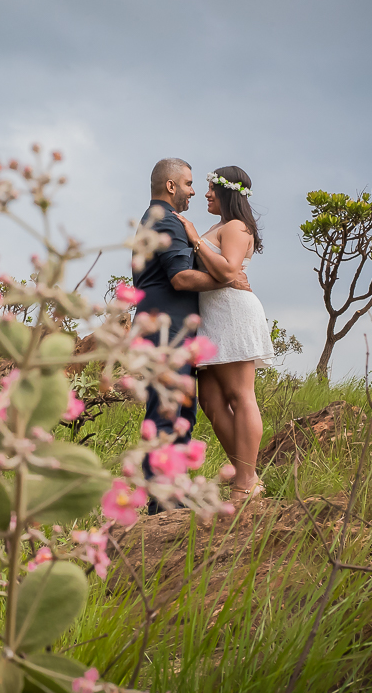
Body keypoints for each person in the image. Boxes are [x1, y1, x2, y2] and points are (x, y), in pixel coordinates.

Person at [133, 158, 249, 513]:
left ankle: (172, 497)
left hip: (168, 329)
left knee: (179, 410)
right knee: (168, 412)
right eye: (188, 184)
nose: (194, 191)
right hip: (166, 330)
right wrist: (227, 278)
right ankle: (163, 503)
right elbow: (180, 278)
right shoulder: (166, 219)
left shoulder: (155, 219)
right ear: (170, 186)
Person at [175, 166, 274, 507]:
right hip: (213, 317)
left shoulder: (234, 226)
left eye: (212, 189)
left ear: (228, 193)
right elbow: (226, 272)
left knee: (240, 395)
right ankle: (248, 476)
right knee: (211, 401)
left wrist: (194, 237)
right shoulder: (220, 226)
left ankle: (245, 483)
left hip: (232, 314)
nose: (205, 194)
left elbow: (229, 268)